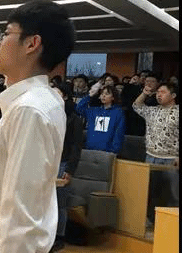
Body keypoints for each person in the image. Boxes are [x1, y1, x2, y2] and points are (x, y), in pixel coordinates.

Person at [0, 0, 75, 253]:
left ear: (32, 44)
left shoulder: (30, 110)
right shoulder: (34, 103)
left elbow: (20, 218)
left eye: (5, 34)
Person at [133, 82, 179, 224]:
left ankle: (173, 224)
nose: (159, 95)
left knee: (173, 194)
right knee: (150, 192)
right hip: (151, 157)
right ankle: (150, 221)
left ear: (173, 95)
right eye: (158, 92)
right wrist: (144, 94)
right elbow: (136, 106)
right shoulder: (152, 111)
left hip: (171, 159)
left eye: (163, 92)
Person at [52, 84, 84, 251]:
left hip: (63, 163)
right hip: (49, 162)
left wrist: (70, 169)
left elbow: (76, 147)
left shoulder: (74, 119)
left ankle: (59, 236)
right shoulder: (50, 114)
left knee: (59, 202)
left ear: (65, 96)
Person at [76, 85, 126, 154]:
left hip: (107, 151)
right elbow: (79, 108)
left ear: (113, 97)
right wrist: (89, 95)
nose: (103, 96)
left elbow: (119, 132)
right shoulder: (94, 111)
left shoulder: (118, 112)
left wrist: (114, 150)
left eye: (107, 94)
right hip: (90, 148)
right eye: (102, 94)